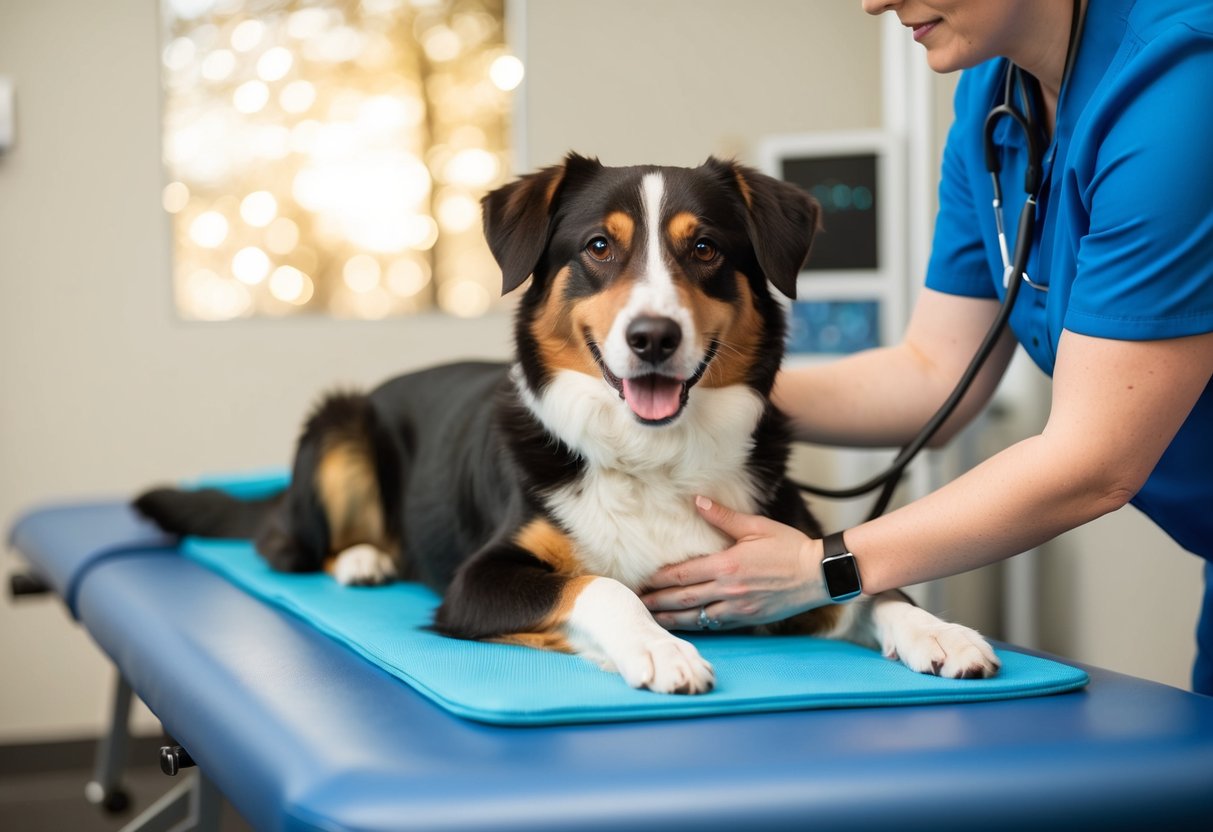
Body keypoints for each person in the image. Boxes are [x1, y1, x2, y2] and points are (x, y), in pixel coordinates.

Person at [640, 0, 1213, 695]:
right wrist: (694, 387)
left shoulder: (1183, 90)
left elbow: (1094, 461)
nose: (874, 1)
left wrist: (821, 568)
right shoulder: (993, 99)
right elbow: (933, 372)